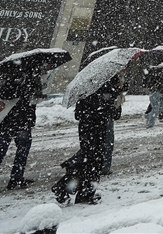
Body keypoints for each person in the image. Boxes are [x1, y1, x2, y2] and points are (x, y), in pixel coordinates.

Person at [52, 71, 124, 205]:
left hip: (88, 128)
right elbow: (110, 111)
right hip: (95, 128)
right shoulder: (104, 86)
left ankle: (78, 190)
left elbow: (81, 112)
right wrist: (114, 96)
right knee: (93, 162)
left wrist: (117, 93)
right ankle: (72, 189)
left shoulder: (89, 86)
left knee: (90, 161)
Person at [0, 67, 45, 194]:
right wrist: (25, 89)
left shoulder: (23, 77)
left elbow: (33, 97)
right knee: (6, 151)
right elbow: (7, 94)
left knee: (10, 150)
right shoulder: (20, 78)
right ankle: (1, 181)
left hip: (16, 120)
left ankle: (10, 179)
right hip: (16, 121)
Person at [142, 56, 163, 129]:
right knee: (155, 110)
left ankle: (147, 116)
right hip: (156, 91)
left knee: (161, 109)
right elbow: (152, 79)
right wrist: (156, 85)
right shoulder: (159, 69)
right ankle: (149, 125)